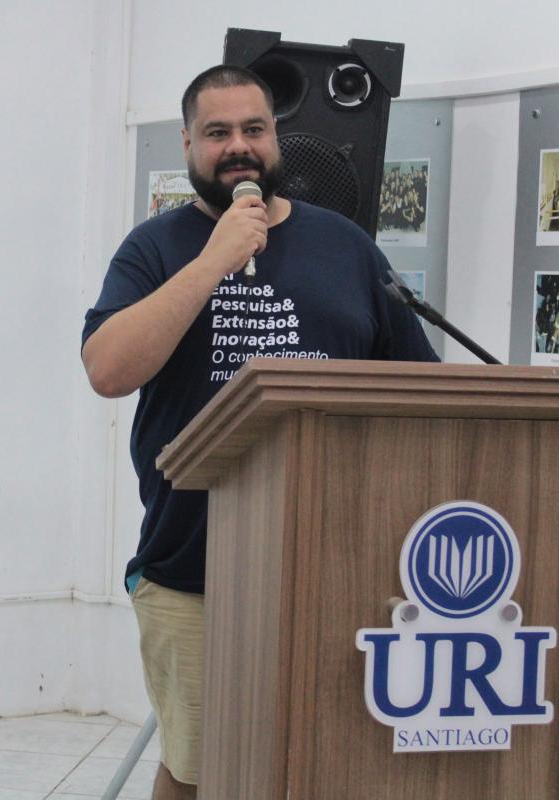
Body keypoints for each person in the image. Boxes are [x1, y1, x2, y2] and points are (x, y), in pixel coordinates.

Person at [82, 65, 439, 799]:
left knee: (321, 764)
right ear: (188, 144)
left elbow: (419, 385)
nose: (238, 146)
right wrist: (214, 261)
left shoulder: (345, 246)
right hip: (194, 567)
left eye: (254, 129)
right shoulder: (155, 248)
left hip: (338, 566)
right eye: (217, 133)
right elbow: (108, 369)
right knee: (199, 770)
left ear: (277, 137)